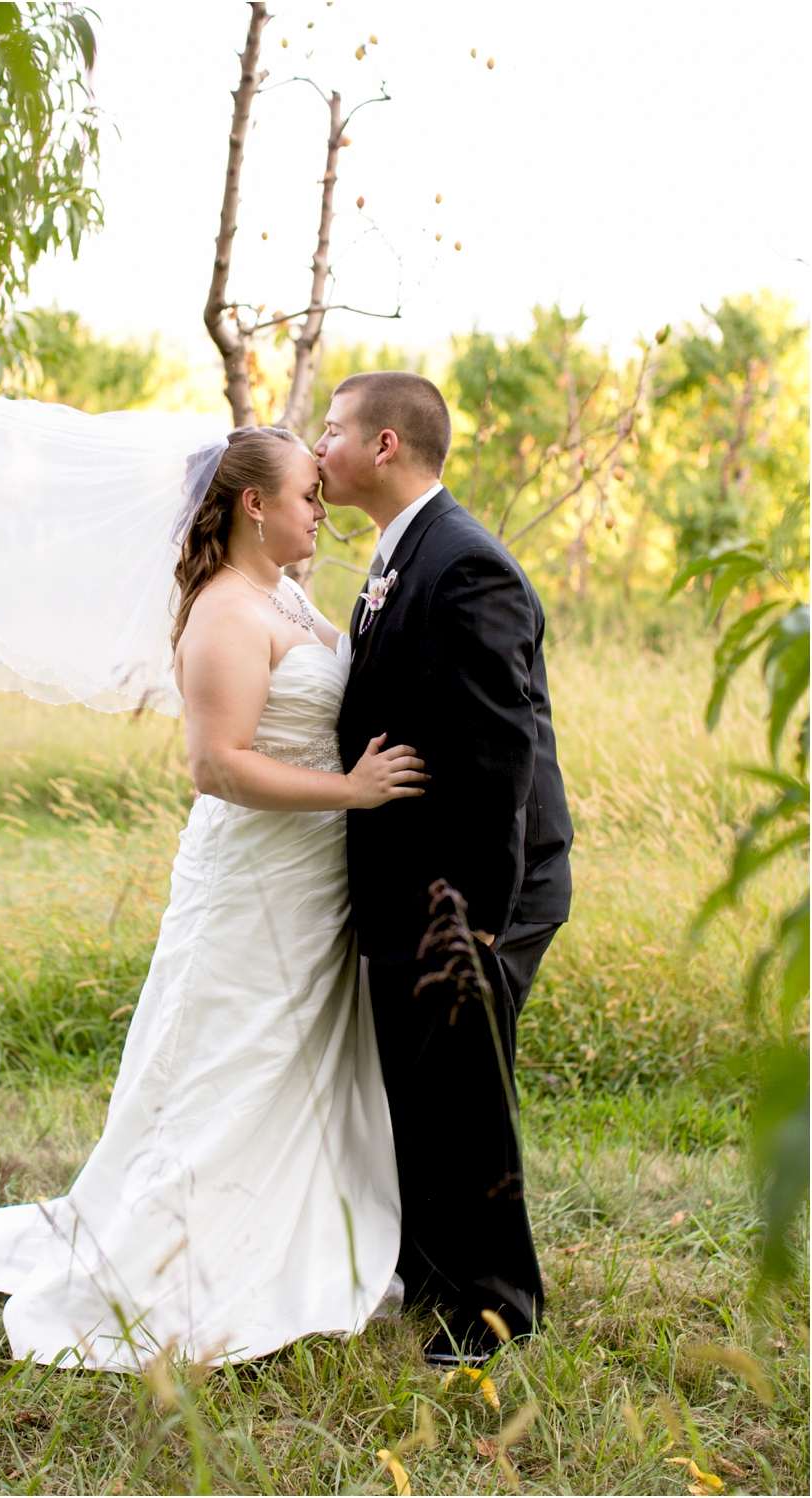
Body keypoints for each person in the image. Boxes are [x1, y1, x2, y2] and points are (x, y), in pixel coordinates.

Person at [0, 331, 424, 1372]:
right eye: (305, 496)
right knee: (233, 1056)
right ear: (251, 506)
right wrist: (353, 790)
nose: (320, 507)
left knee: (291, 1061)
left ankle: (308, 1231)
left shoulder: (282, 597)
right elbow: (218, 764)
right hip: (256, 877)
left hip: (309, 874)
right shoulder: (225, 614)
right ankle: (184, 1256)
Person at [316, 371, 573, 1366]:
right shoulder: (398, 557)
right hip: (414, 885)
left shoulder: (466, 568)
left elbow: (500, 758)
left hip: (470, 891)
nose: (321, 446)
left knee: (463, 1099)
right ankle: (432, 1278)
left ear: (385, 445)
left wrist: (476, 918)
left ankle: (494, 1311)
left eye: (334, 430)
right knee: (420, 1094)